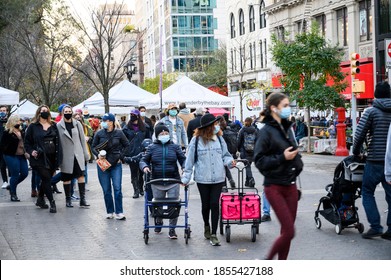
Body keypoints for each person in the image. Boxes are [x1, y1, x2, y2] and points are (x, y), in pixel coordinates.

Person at [253, 92, 303, 259]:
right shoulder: (266, 131)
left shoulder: (287, 129)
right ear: (274, 108)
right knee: (290, 231)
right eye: (285, 106)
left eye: (289, 105)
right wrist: (282, 158)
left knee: (287, 233)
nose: (288, 109)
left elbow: (292, 152)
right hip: (274, 186)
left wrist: (298, 162)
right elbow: (259, 160)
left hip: (291, 185)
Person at [181, 114, 236, 246]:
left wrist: (230, 162)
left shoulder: (219, 138)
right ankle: (206, 225)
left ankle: (214, 234)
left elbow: (226, 155)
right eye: (215, 124)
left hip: (218, 177)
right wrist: (186, 178)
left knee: (214, 205)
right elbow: (189, 161)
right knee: (205, 206)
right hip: (203, 179)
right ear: (208, 127)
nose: (217, 126)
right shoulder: (196, 140)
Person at [353, 81, 391, 240]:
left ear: (375, 94)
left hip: (375, 160)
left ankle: (375, 226)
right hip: (390, 163)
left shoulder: (371, 112)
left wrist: (356, 152)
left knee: (367, 192)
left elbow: (359, 134)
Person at [140, 124, 186, 239]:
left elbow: (183, 159)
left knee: (174, 204)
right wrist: (145, 167)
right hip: (157, 180)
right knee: (158, 204)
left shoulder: (175, 147)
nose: (164, 135)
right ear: (157, 135)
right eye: (162, 134)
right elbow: (143, 160)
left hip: (173, 180)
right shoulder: (152, 147)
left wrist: (185, 167)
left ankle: (172, 229)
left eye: (166, 133)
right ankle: (158, 222)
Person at [24, 105, 62, 213]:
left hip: (52, 157)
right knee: (46, 179)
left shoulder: (54, 125)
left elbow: (58, 142)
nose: (44, 112)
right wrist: (31, 151)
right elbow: (27, 142)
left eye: (46, 110)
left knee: (46, 179)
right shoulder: (33, 126)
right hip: (39, 157)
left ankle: (40, 199)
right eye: (42, 110)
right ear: (38, 112)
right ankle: (52, 202)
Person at [92, 113, 129, 220]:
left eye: (106, 120)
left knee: (117, 188)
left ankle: (119, 212)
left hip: (116, 164)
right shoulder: (99, 133)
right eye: (103, 120)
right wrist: (97, 154)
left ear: (112, 122)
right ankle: (110, 211)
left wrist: (120, 157)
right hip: (103, 165)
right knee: (106, 189)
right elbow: (93, 147)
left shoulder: (119, 133)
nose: (104, 122)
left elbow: (127, 145)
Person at [57, 105, 90, 208]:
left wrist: (85, 153)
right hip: (66, 156)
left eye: (69, 111)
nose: (68, 113)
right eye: (65, 111)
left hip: (78, 154)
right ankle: (68, 200)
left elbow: (82, 140)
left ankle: (82, 199)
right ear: (62, 113)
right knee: (67, 178)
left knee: (80, 176)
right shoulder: (58, 125)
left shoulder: (77, 124)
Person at [122, 109, 151, 198]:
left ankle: (141, 188)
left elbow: (149, 139)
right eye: (131, 114)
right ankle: (136, 190)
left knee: (141, 173)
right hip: (132, 153)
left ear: (138, 116)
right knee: (133, 172)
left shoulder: (145, 127)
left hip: (142, 153)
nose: (132, 116)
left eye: (133, 114)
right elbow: (123, 141)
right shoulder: (126, 128)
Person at [0, 115, 29, 201]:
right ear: (12, 121)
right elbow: (2, 145)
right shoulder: (7, 132)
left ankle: (11, 186)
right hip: (11, 155)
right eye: (17, 121)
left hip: (22, 155)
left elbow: (25, 142)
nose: (19, 122)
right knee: (15, 174)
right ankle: (13, 194)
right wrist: (7, 151)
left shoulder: (22, 131)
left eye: (19, 121)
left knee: (25, 173)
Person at [237, 117, 257, 188]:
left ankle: (251, 179)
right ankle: (247, 182)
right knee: (247, 165)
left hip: (244, 151)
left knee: (247, 166)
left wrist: (239, 149)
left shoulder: (242, 130)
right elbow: (257, 141)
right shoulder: (255, 130)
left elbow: (238, 141)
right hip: (252, 151)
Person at [0, 105, 10, 189]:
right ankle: (5, 181)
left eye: (4, 110)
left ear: (7, 112)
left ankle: (11, 179)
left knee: (10, 164)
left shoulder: (10, 122)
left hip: (9, 147)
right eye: (1, 111)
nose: (2, 112)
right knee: (2, 165)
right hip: (1, 147)